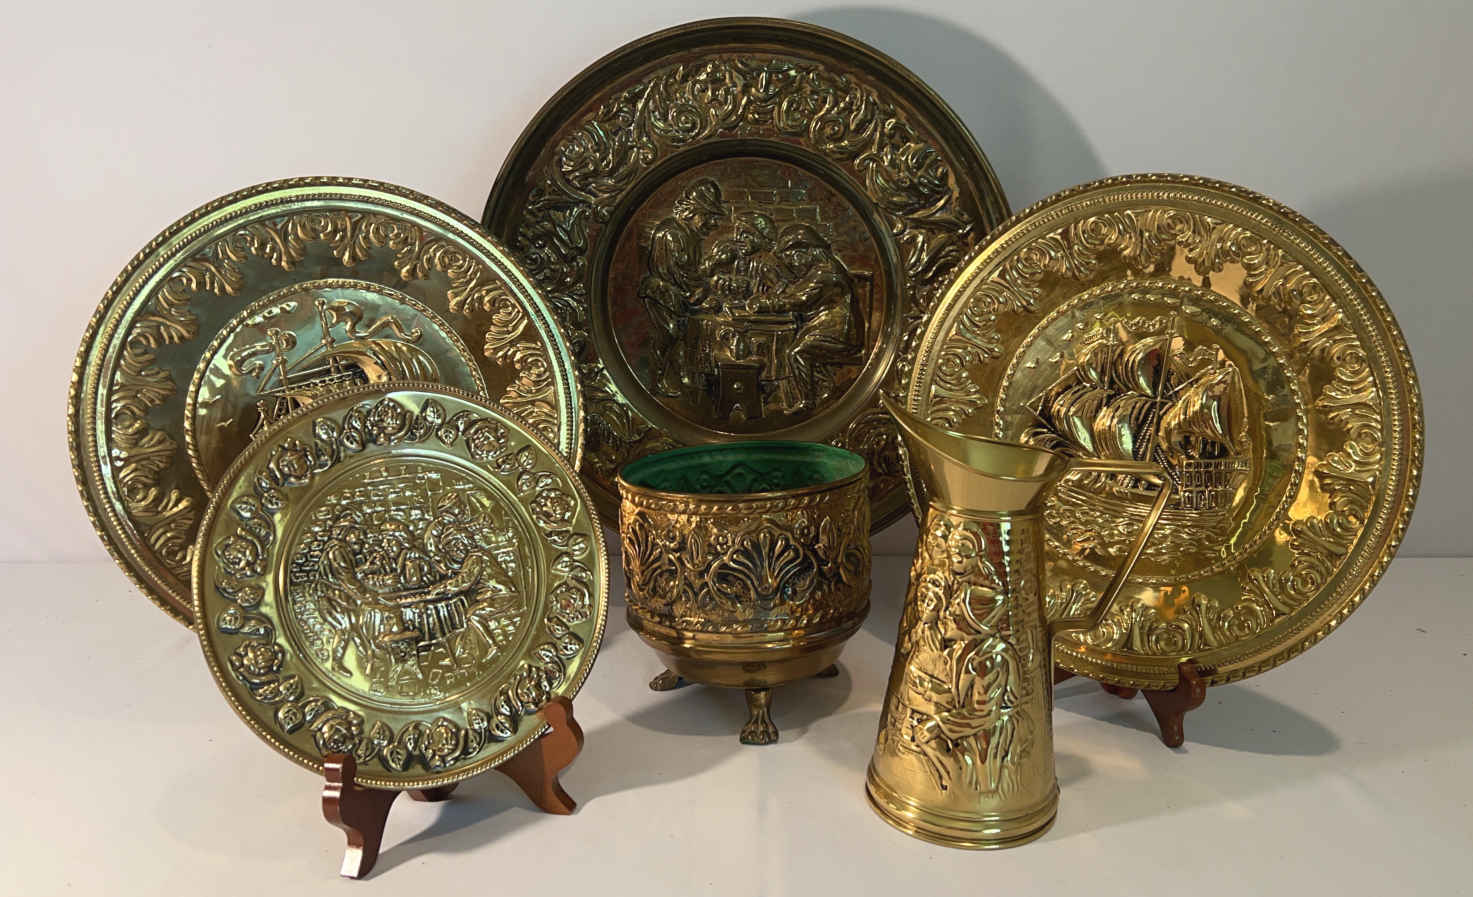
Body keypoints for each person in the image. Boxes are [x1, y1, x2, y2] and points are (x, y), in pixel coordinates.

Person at [637, 178, 728, 396]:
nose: (713, 224)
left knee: (687, 332)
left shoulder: (691, 235)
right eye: (709, 216)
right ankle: (658, 380)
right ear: (693, 212)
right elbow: (681, 276)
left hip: (679, 294)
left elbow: (691, 273)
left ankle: (686, 376)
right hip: (663, 294)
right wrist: (709, 279)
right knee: (669, 334)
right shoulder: (672, 234)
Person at [769, 224, 865, 409]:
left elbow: (801, 300)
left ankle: (807, 400)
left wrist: (768, 304)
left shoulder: (826, 272)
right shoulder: (818, 270)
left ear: (805, 251)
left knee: (796, 353)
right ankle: (824, 388)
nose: (792, 265)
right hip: (827, 329)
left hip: (841, 334)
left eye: (791, 259)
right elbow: (797, 290)